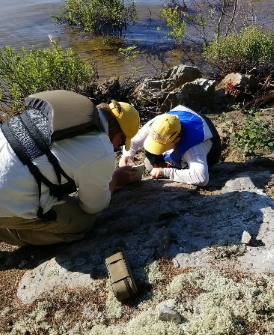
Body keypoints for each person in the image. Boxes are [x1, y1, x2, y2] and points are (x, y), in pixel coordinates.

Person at [0, 97, 140, 246]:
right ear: (117, 136)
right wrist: (114, 180)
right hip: (4, 198)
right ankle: (9, 233)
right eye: (121, 143)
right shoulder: (100, 148)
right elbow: (92, 206)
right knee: (82, 223)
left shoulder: (68, 113)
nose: (116, 147)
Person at [119, 104, 221, 186]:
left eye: (161, 145)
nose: (157, 148)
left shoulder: (194, 147)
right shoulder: (159, 123)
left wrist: (165, 172)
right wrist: (127, 155)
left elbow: (201, 177)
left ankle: (179, 165)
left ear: (176, 140)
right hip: (182, 128)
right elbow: (134, 141)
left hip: (208, 153)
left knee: (156, 168)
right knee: (149, 165)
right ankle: (168, 162)